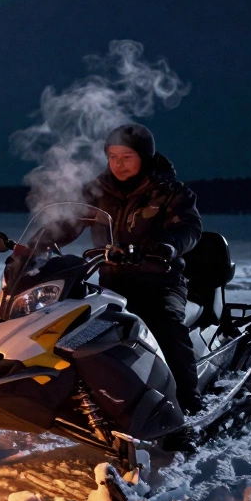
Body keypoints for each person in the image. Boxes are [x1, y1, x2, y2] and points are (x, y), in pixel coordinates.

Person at [86, 123, 204, 414]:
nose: (118, 164)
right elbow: (67, 220)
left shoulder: (170, 191)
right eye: (113, 156)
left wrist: (167, 246)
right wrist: (38, 245)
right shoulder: (99, 192)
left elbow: (189, 226)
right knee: (77, 328)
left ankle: (188, 403)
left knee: (165, 324)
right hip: (112, 283)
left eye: (126, 156)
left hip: (160, 281)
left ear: (145, 157)